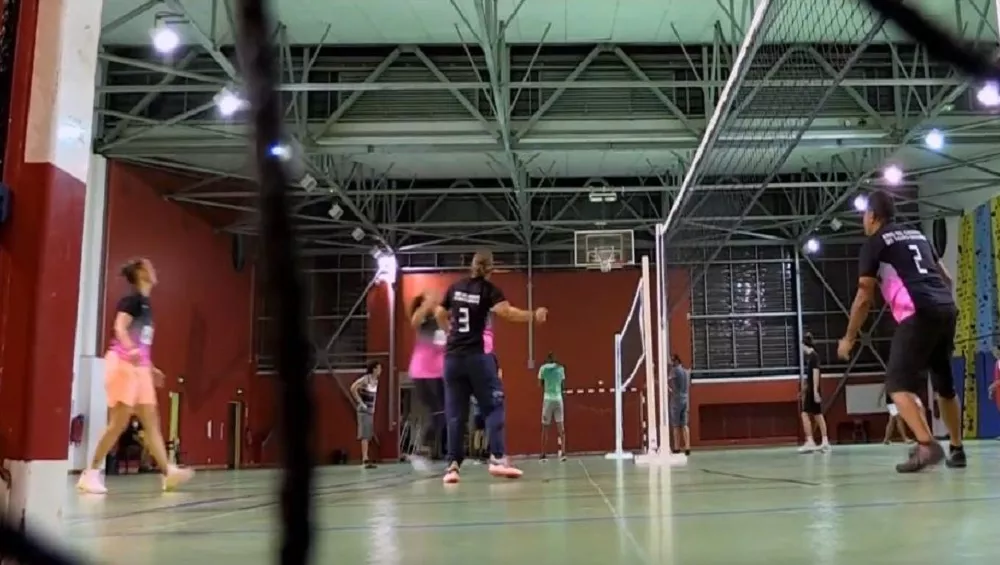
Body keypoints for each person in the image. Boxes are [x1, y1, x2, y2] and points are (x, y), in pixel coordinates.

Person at [837, 190, 965, 472]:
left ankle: (926, 445)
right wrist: (940, 307)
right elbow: (946, 278)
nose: (863, 220)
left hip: (916, 312)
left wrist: (849, 337)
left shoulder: (874, 244)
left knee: (896, 386)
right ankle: (957, 450)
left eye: (864, 215)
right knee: (945, 387)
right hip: (945, 308)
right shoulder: (918, 235)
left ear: (873, 216)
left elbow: (864, 296)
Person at [77, 258, 194, 494]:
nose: (154, 270)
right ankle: (90, 473)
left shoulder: (147, 305)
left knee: (151, 421)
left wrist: (150, 368)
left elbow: (143, 344)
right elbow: (119, 327)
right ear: (141, 273)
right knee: (119, 422)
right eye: (149, 267)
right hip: (122, 364)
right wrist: (130, 349)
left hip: (140, 369)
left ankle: (167, 473)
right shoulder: (131, 301)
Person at [434, 249, 547, 484]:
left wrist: (449, 332)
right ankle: (497, 458)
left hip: (452, 359)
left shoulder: (455, 287)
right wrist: (533, 315)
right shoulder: (488, 290)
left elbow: (439, 312)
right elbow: (507, 312)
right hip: (476, 357)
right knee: (494, 406)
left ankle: (452, 467)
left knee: (455, 415)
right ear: (491, 269)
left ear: (472, 266)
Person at [407, 292, 446, 469]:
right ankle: (422, 450)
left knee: (442, 413)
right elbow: (414, 321)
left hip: (439, 373)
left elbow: (446, 338)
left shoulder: (439, 319)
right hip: (423, 372)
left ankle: (431, 450)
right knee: (437, 411)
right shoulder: (423, 320)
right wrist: (426, 304)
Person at [798, 333, 830, 453]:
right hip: (811, 390)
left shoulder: (814, 356)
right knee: (817, 415)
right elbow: (809, 377)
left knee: (805, 414)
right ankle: (825, 442)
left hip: (813, 391)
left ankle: (810, 441)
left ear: (803, 344)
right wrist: (803, 390)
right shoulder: (811, 357)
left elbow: (816, 373)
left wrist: (815, 391)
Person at [351, 361, 382, 469]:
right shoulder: (366, 379)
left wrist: (373, 408)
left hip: (370, 411)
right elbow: (353, 388)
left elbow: (373, 397)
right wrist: (361, 402)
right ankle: (365, 458)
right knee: (364, 434)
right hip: (363, 410)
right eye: (379, 368)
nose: (380, 371)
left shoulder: (376, 381)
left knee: (368, 434)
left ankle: (366, 457)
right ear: (374, 369)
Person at [538, 352, 567, 461]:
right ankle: (563, 452)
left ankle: (543, 453)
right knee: (561, 427)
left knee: (545, 427)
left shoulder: (543, 369)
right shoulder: (561, 368)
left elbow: (540, 384)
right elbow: (563, 385)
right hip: (558, 399)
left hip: (548, 399)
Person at [668, 354, 691, 456]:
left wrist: (670, 389)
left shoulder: (674, 371)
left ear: (676, 361)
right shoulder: (686, 371)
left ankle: (677, 447)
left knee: (676, 425)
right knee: (685, 425)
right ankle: (687, 447)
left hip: (676, 399)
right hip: (685, 398)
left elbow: (667, 380)